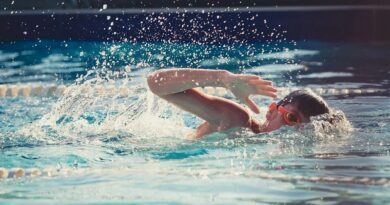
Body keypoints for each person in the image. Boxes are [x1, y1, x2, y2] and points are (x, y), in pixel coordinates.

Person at [147, 68, 330, 139]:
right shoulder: (238, 119)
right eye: (291, 118)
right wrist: (221, 79)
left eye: (303, 128)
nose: (293, 131)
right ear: (271, 111)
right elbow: (155, 82)